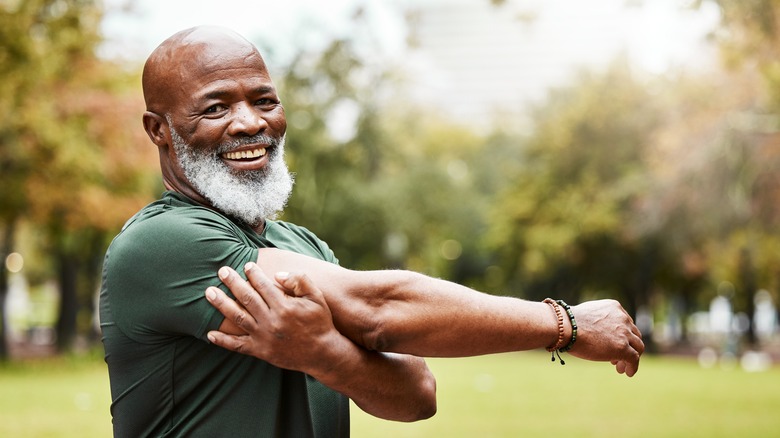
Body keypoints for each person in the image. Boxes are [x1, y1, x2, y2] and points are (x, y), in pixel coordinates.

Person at [99, 25, 643, 438]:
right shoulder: (161, 243)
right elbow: (381, 309)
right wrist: (564, 324)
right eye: (215, 107)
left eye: (264, 99)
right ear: (160, 131)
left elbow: (417, 395)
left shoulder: (304, 248)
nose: (249, 122)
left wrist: (324, 354)